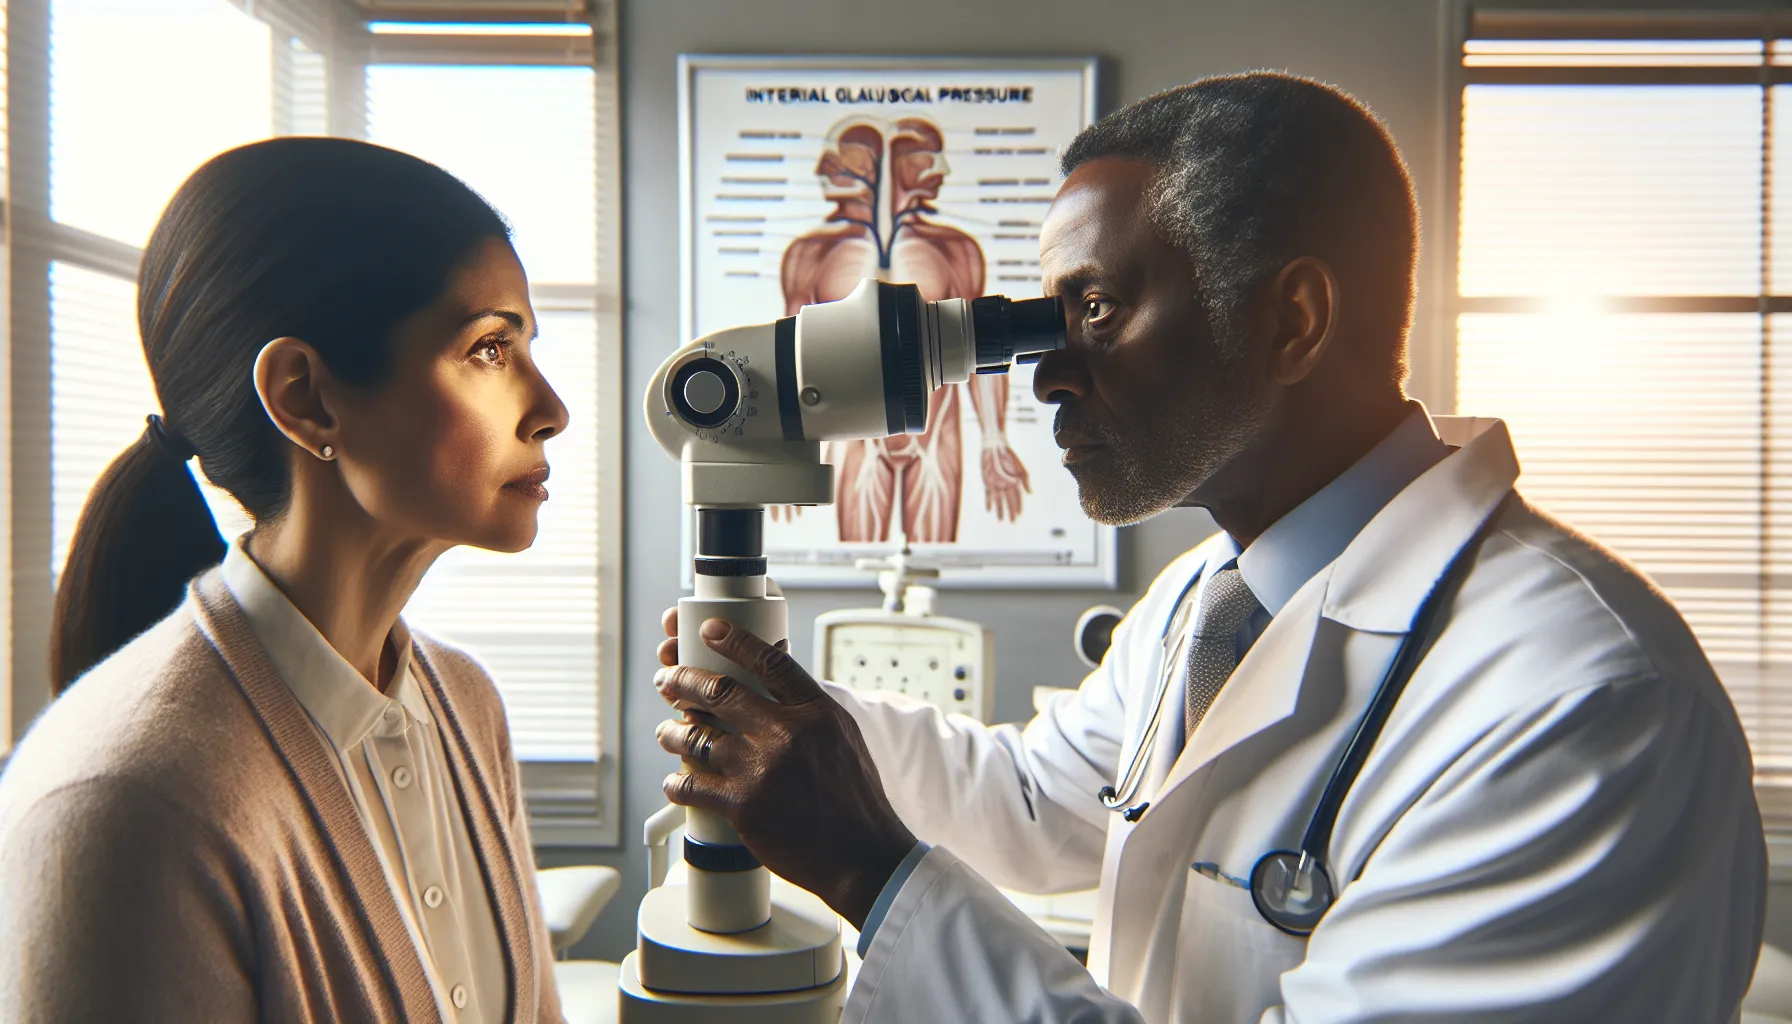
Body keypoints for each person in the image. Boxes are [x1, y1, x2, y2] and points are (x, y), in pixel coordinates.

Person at [650, 72, 1767, 1021]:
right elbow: (1040, 804)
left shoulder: (1582, 702)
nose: (1043, 372)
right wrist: (785, 723)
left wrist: (867, 867)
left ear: (1291, 320)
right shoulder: (1214, 595)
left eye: (1092, 307)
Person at [0, 137, 568, 1023]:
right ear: (305, 397)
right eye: (490, 349)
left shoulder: (467, 706)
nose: (551, 409)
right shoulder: (126, 806)